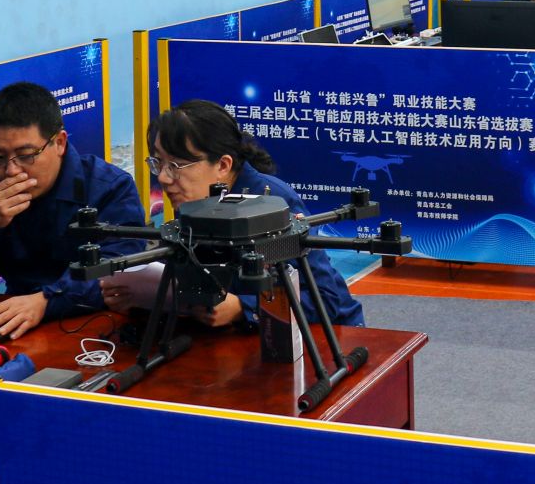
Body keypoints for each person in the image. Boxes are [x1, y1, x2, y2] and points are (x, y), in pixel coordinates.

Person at [101, 100, 365, 326]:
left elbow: (325, 301)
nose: (163, 178)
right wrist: (139, 300)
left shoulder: (273, 204)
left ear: (223, 165)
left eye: (176, 166)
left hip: (327, 339)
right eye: (158, 163)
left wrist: (243, 308)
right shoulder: (196, 204)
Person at [0, 81, 146, 338]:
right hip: (14, 322)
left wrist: (46, 300)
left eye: (26, 155)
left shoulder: (109, 188)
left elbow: (118, 272)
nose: (11, 171)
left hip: (96, 325)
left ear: (60, 143)